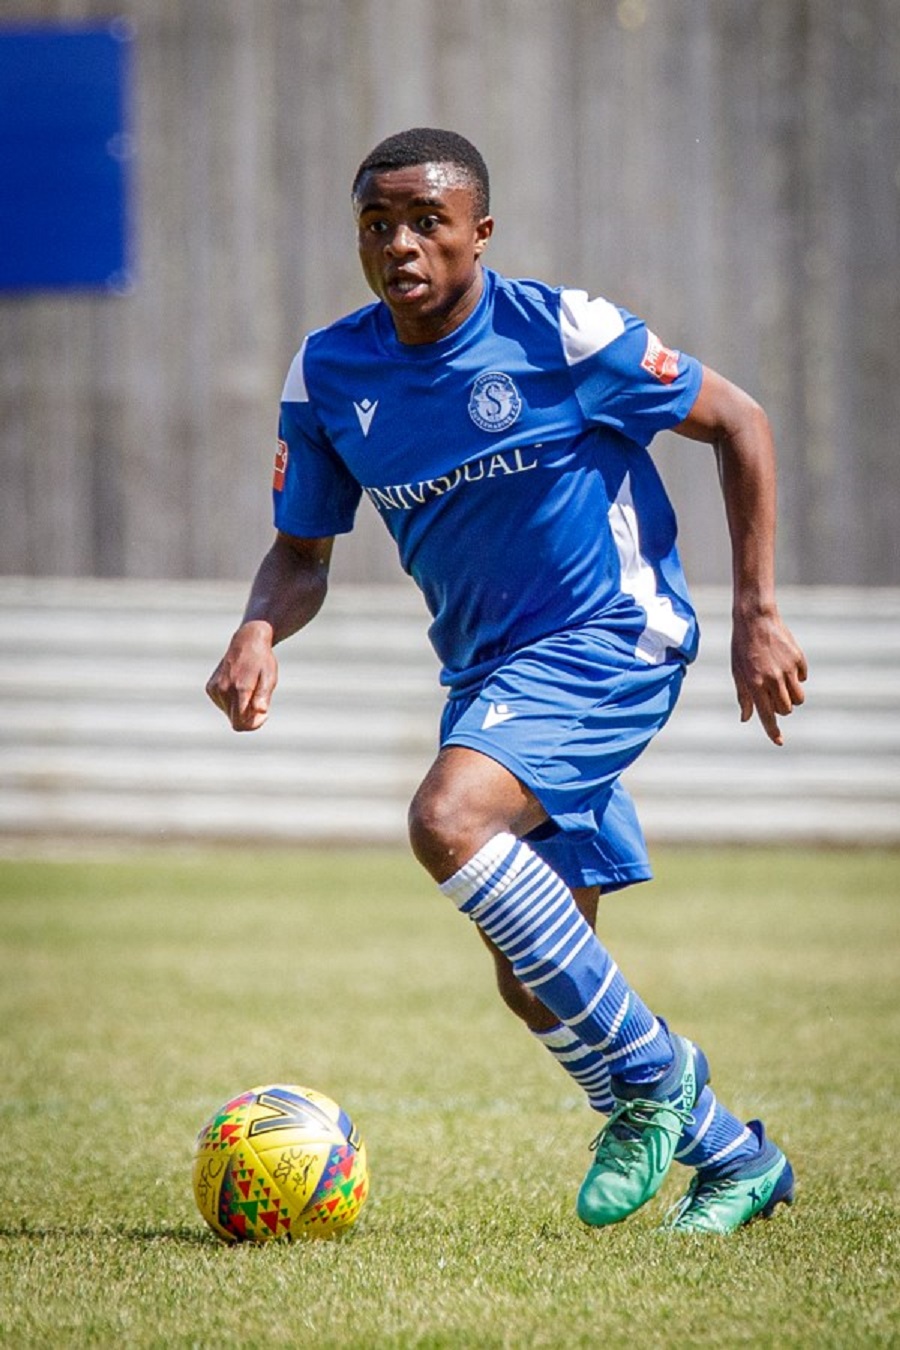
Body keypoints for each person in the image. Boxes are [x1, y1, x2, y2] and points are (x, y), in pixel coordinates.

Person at [207, 127, 807, 1235]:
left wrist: (756, 612)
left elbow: (740, 423)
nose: (401, 244)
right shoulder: (329, 375)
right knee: (531, 976)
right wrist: (258, 629)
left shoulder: (563, 332)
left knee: (448, 816)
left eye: (427, 221)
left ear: (481, 231)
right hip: (491, 674)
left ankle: (657, 1088)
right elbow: (302, 554)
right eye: (376, 225)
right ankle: (735, 1159)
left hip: (611, 634)